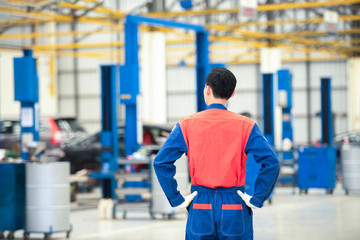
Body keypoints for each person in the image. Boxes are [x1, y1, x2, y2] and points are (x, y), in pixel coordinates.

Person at [153, 67, 280, 240]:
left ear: (207, 89)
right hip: (234, 206)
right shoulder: (246, 126)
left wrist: (176, 198)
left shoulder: (187, 125)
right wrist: (257, 198)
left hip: (200, 206)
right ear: (232, 93)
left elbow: (161, 162)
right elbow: (271, 162)